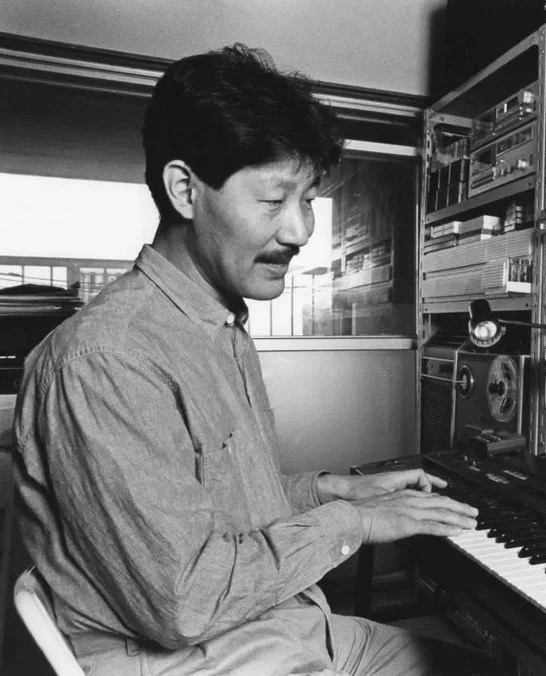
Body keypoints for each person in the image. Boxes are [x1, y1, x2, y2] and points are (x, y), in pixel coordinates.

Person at [14, 44, 489, 675]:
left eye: (310, 199)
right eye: (274, 200)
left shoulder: (219, 325)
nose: (299, 231)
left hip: (283, 625)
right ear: (186, 190)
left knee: (496, 664)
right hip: (205, 658)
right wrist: (356, 522)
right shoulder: (106, 359)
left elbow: (215, 511)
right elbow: (185, 600)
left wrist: (330, 492)